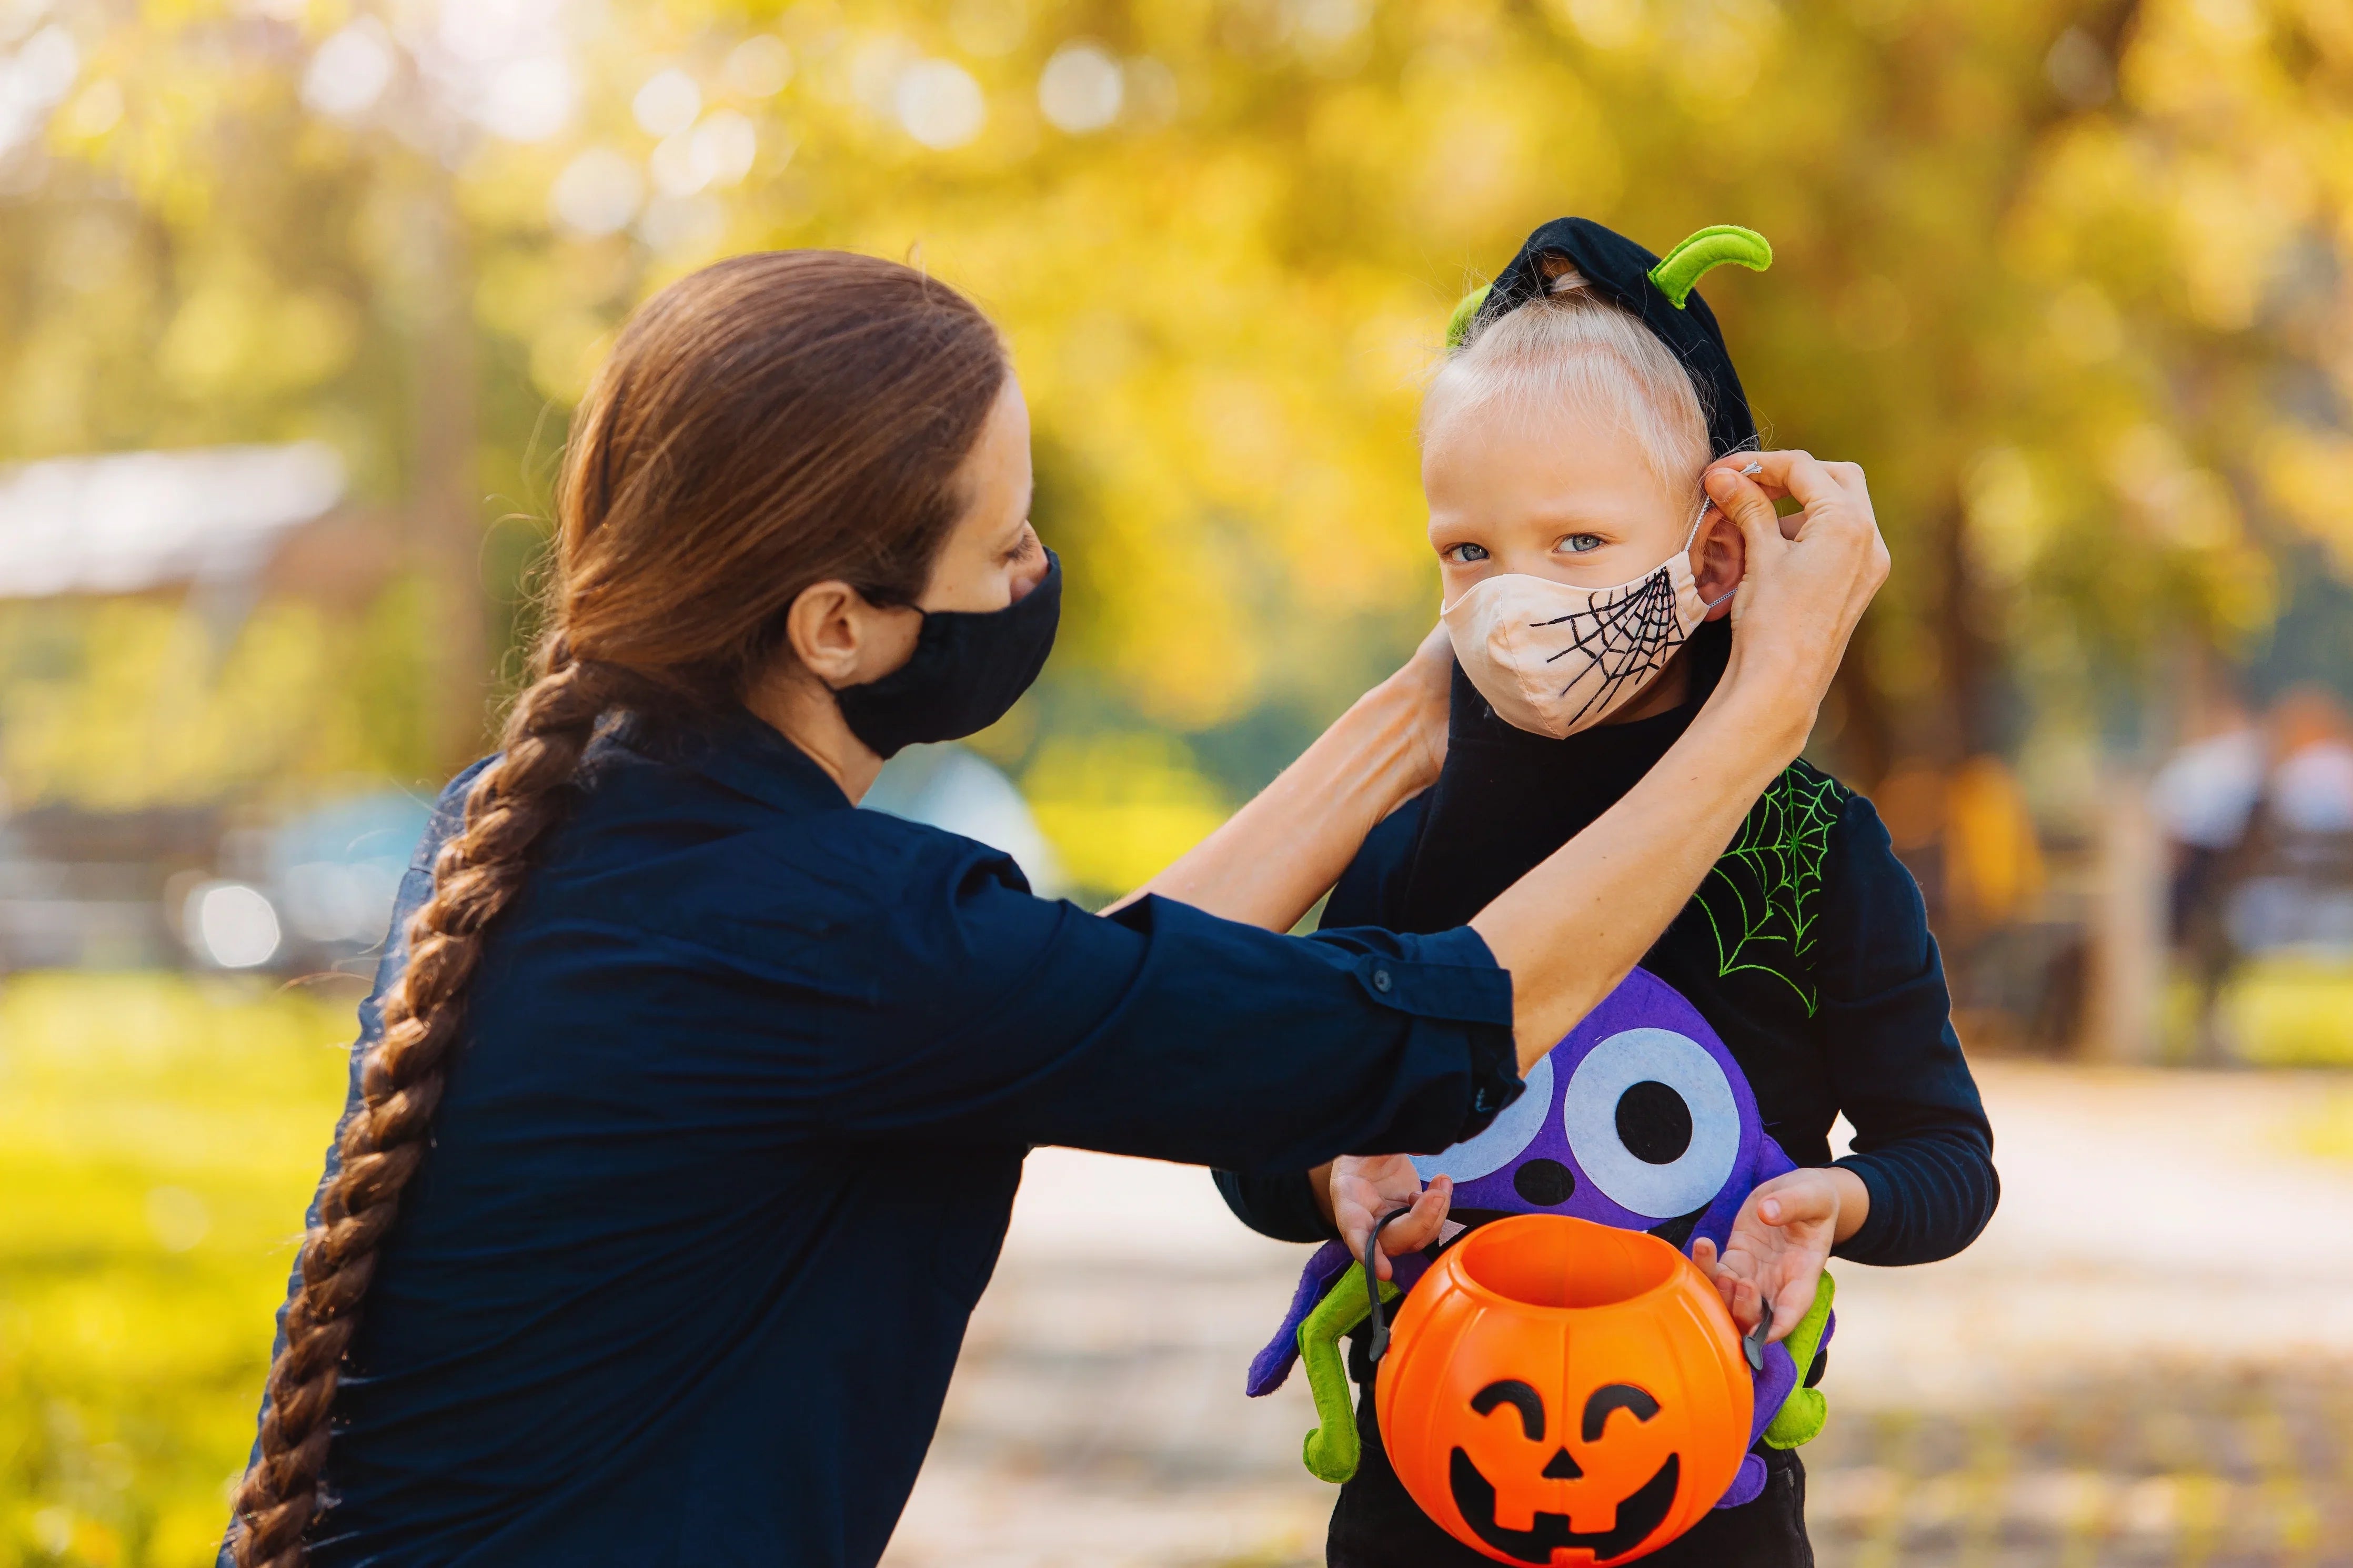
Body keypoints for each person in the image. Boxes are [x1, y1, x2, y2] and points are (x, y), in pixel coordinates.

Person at [220, 249, 1885, 1568]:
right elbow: (1448, 1019)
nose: (1037, 573)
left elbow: (1080, 989)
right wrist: (1770, 701)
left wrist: (1460, 665)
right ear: (840, 626)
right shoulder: (829, 935)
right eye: (1006, 543)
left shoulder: (584, 831)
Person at [1214, 218, 1997, 1568]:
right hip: (1428, 1493)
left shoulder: (1813, 849)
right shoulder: (1408, 837)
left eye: (1578, 539)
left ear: (1713, 552)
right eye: (1468, 551)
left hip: (1705, 1504)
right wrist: (1331, 1177)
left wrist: (1835, 1200)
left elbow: (1950, 1160)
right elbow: (1261, 1147)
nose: (1517, 591)